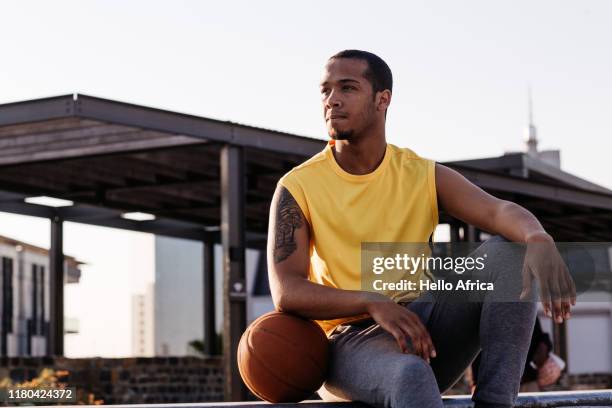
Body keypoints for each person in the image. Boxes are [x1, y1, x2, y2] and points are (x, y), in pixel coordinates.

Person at [266, 50, 576, 408]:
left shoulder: (419, 173)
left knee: (510, 253)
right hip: (349, 342)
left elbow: (497, 210)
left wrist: (538, 237)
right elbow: (287, 291)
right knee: (409, 375)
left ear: (383, 99)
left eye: (347, 88)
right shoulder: (298, 185)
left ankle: (495, 402)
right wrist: (371, 301)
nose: (332, 100)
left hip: (426, 327)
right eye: (325, 91)